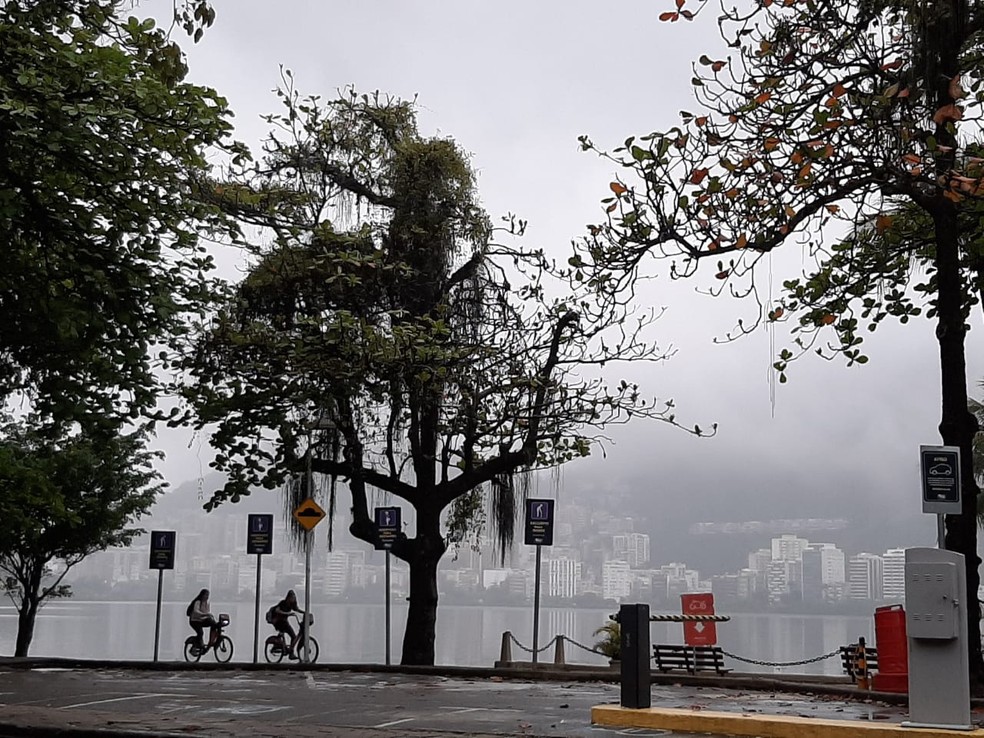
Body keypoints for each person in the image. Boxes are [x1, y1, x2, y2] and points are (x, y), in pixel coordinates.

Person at [270, 590, 303, 659]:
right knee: (292, 635)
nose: (293, 599)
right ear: (288, 597)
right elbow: (277, 610)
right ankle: (289, 652)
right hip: (278, 621)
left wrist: (305, 612)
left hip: (284, 622)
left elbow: (297, 609)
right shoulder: (283, 603)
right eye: (292, 598)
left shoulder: (292, 604)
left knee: (293, 636)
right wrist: (287, 613)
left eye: (294, 598)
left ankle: (290, 652)